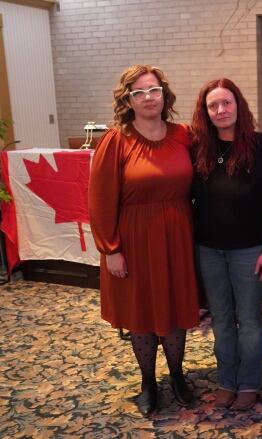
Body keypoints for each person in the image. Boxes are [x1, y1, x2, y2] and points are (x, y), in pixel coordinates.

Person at [89, 65, 200, 417]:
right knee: (142, 311)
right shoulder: (116, 140)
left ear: (164, 94)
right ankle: (148, 382)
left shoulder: (185, 135)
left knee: (176, 307)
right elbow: (101, 199)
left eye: (153, 90)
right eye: (139, 93)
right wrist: (111, 249)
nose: (148, 98)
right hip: (134, 239)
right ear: (128, 100)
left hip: (177, 235)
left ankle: (179, 376)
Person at [190, 78, 262, 411]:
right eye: (213, 105)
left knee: (248, 320)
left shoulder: (261, 146)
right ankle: (226, 380)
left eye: (226, 103)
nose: (220, 110)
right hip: (209, 249)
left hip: (249, 250)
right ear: (205, 112)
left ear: (239, 105)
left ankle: (248, 383)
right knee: (220, 318)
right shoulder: (199, 148)